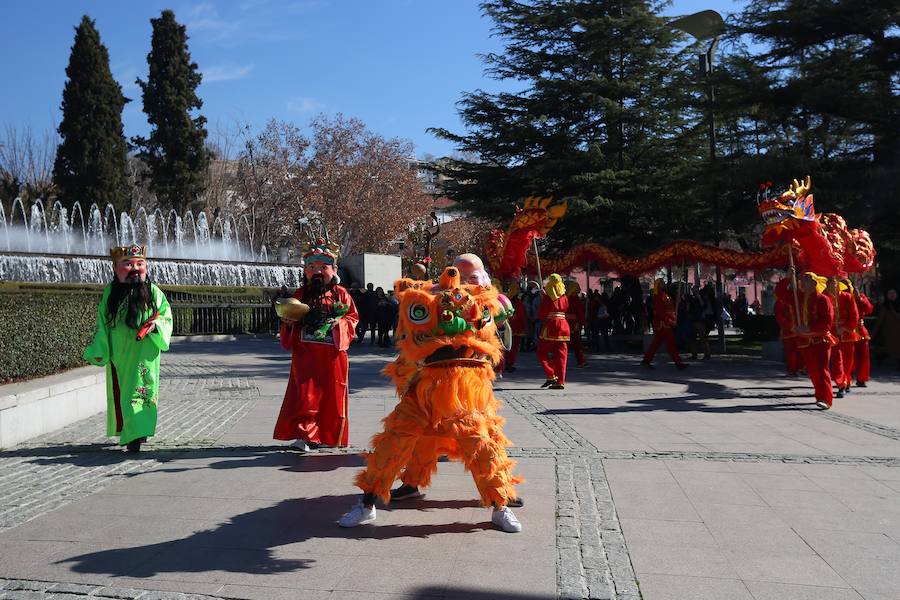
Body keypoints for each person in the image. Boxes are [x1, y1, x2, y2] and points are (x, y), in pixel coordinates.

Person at [338, 266, 524, 532]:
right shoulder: (427, 299)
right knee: (391, 446)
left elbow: (491, 340)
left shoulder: (480, 302)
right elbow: (409, 342)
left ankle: (500, 507)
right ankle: (367, 505)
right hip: (423, 395)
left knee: (484, 449)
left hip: (464, 396)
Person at [84, 245, 173, 453]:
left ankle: (136, 434)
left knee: (142, 390)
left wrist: (156, 326)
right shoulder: (110, 293)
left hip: (145, 353)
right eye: (129, 264)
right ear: (116, 268)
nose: (135, 269)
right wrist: (100, 347)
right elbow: (102, 322)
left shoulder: (152, 291)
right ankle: (132, 431)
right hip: (119, 354)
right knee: (124, 393)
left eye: (140, 264)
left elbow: (165, 315)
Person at [274, 238, 359, 451]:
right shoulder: (300, 295)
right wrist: (288, 323)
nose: (317, 271)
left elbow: (352, 318)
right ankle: (306, 434)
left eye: (323, 267)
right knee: (305, 395)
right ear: (305, 270)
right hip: (306, 352)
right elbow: (291, 317)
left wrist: (338, 322)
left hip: (332, 354)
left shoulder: (341, 294)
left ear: (334, 269)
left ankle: (328, 435)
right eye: (312, 267)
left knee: (331, 396)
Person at [797, 272, 836, 409]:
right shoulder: (799, 298)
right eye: (802, 280)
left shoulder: (823, 299)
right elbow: (783, 295)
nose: (803, 283)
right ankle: (819, 396)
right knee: (813, 371)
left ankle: (826, 399)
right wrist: (789, 277)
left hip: (821, 340)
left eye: (807, 281)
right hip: (806, 341)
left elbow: (827, 323)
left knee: (822, 370)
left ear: (814, 283)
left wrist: (808, 328)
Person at [641, 279, 687, 370]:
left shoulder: (665, 295)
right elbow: (660, 312)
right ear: (658, 285)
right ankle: (678, 363)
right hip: (663, 324)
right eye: (661, 283)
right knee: (670, 344)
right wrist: (670, 321)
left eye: (663, 282)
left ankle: (646, 361)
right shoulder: (658, 296)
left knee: (656, 344)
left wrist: (678, 302)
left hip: (664, 323)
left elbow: (670, 307)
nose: (664, 284)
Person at [536, 274, 570, 389]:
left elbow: (541, 314)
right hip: (564, 325)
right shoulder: (564, 296)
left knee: (541, 352)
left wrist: (543, 299)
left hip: (552, 325)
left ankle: (551, 374)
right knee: (561, 355)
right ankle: (560, 380)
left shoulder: (547, 297)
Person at [827, 277, 859, 398]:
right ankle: (841, 385)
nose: (832, 285)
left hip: (847, 334)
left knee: (848, 361)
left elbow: (854, 316)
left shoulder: (847, 297)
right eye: (830, 282)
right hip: (833, 335)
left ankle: (847, 381)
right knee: (837, 360)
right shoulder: (826, 298)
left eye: (834, 282)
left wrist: (845, 327)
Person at [773, 278, 802, 376]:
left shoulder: (801, 297)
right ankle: (792, 370)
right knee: (790, 353)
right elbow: (780, 316)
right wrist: (789, 326)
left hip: (802, 331)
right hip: (789, 332)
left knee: (802, 352)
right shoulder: (782, 300)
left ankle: (799, 368)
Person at [851, 282, 874, 386]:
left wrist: (859, 298)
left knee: (863, 355)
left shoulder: (861, 297)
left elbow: (869, 309)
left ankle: (861, 378)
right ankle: (846, 378)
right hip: (848, 330)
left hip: (860, 330)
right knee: (849, 355)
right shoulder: (844, 296)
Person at [871, 288, 900, 371]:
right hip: (889, 332)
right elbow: (879, 321)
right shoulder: (885, 306)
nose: (892, 295)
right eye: (890, 293)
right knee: (891, 348)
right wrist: (873, 334)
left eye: (893, 293)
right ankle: (880, 358)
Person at [504, 281, 527, 372]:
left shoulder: (508, 300)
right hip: (515, 326)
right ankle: (509, 363)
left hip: (512, 325)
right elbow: (521, 315)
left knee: (510, 346)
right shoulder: (516, 302)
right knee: (513, 346)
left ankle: (508, 363)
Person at [565, 280, 587, 368]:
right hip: (574, 324)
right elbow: (579, 312)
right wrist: (583, 322)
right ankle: (580, 361)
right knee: (576, 343)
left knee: (567, 343)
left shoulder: (564, 298)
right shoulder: (574, 299)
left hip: (565, 323)